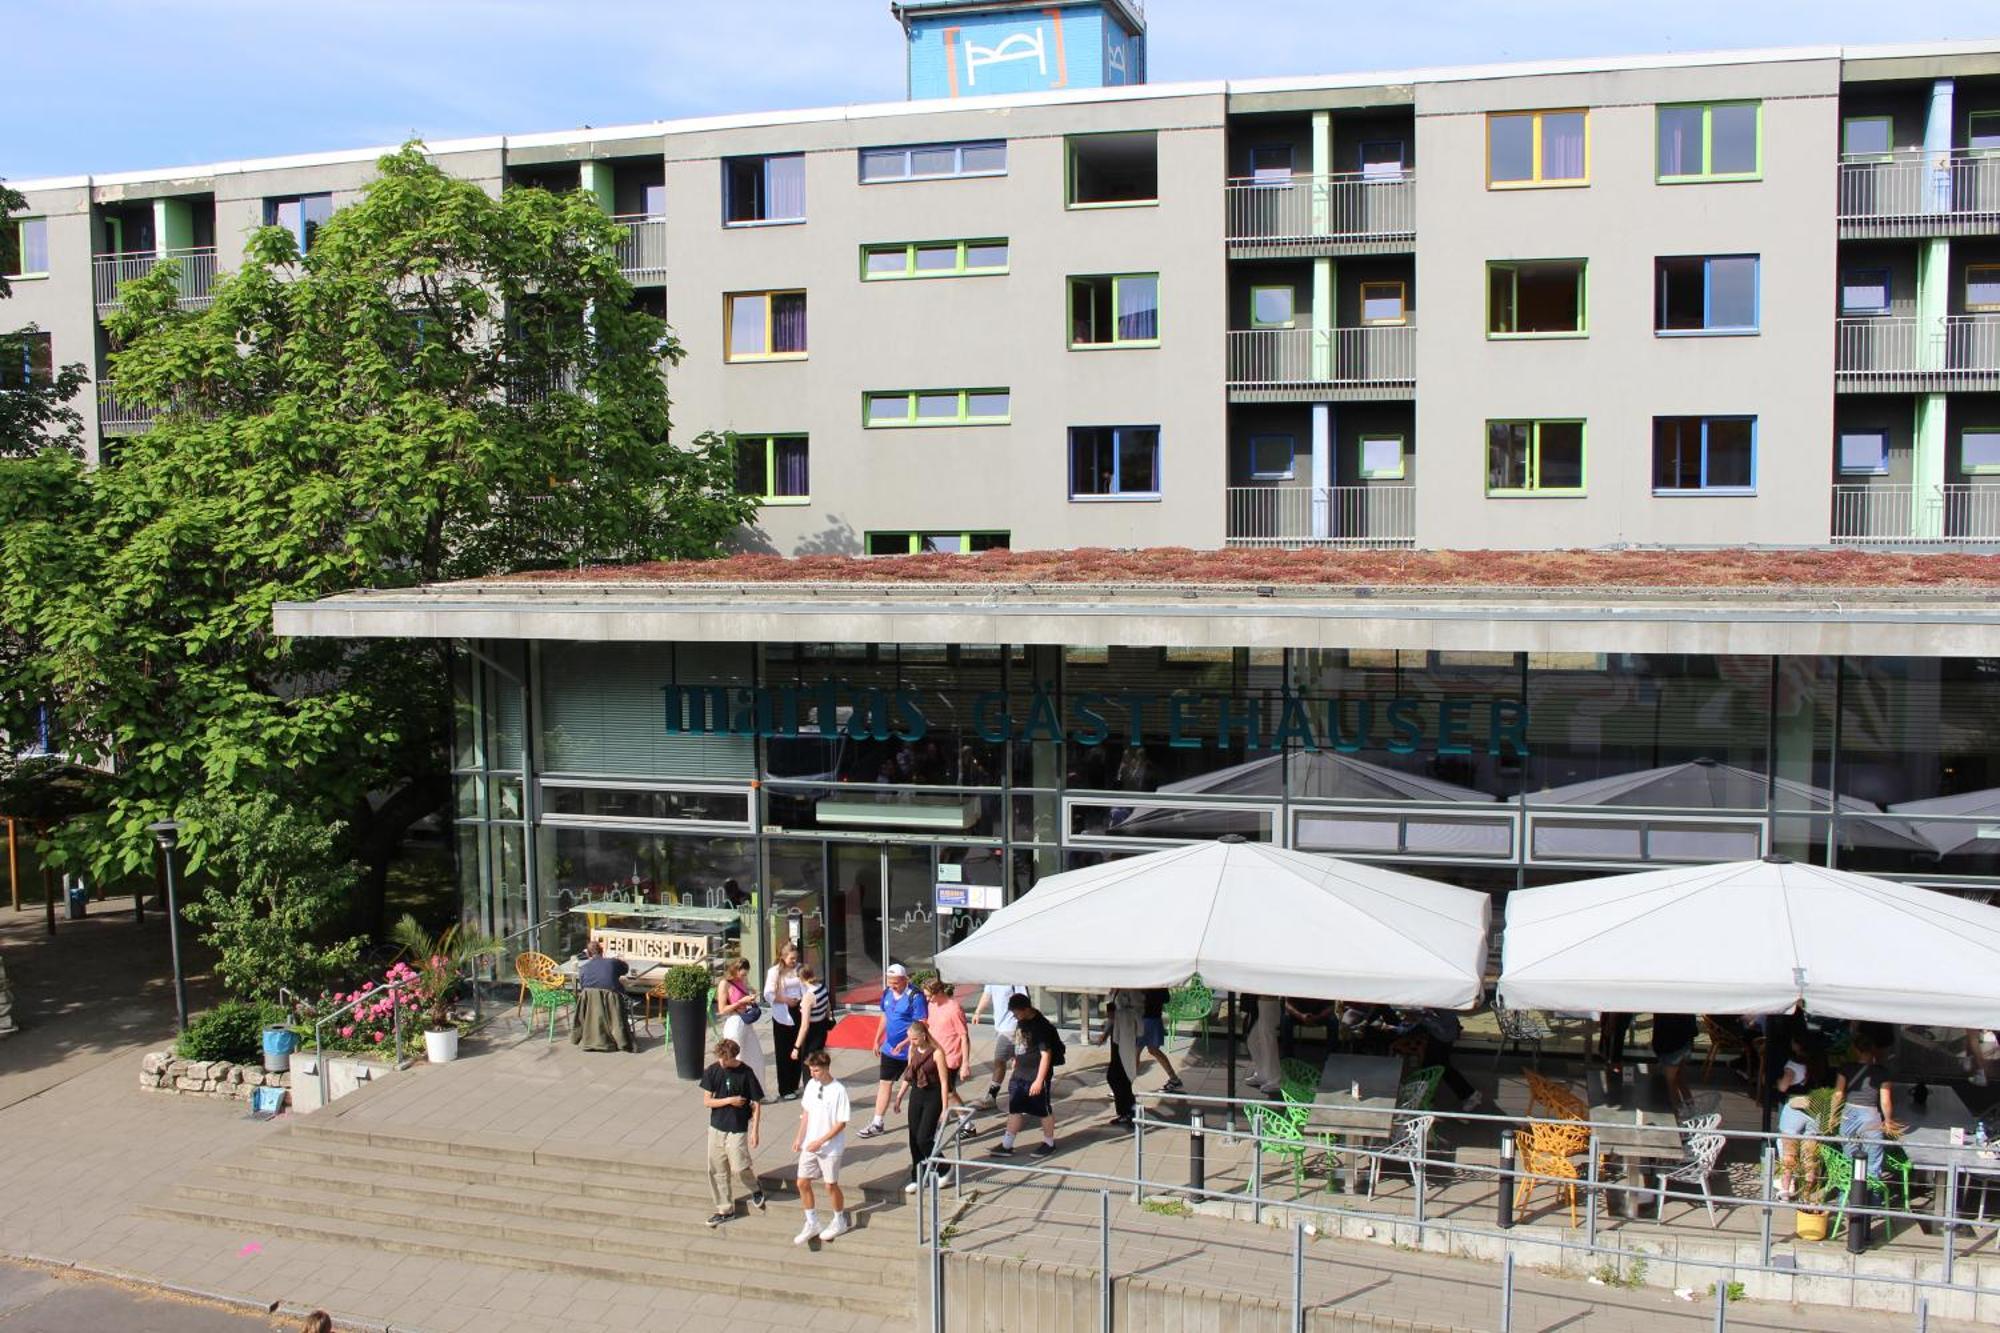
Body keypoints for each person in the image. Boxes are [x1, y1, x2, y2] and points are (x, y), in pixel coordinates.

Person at [698, 1038, 765, 1227]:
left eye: (724, 1059)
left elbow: (757, 1102)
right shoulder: (713, 1070)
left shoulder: (745, 1073)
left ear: (732, 1057)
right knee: (717, 1169)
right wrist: (729, 1100)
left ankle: (755, 1187)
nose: (721, 1062)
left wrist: (755, 1131)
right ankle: (724, 1209)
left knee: (739, 1165)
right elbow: (707, 1101)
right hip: (717, 1127)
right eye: (719, 1058)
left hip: (737, 1127)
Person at [858, 963, 927, 1139]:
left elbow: (922, 1024)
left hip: (911, 1050)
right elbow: (885, 1016)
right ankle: (877, 1122)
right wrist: (877, 1039)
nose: (891, 985)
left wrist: (905, 1042)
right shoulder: (887, 993)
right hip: (890, 1049)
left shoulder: (915, 996)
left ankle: (959, 1117)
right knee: (885, 1083)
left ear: (904, 980)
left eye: (895, 982)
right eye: (889, 982)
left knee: (923, 1085)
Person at [991, 993, 1061, 1158]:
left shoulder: (1041, 1027)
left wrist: (1039, 1080)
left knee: (1043, 1110)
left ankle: (1049, 1143)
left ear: (1025, 1009)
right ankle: (1007, 1144)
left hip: (1035, 1075)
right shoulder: (1022, 1021)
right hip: (1020, 1074)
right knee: (1015, 1108)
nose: (1014, 1016)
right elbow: (1020, 1042)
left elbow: (1046, 1055)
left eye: (1015, 1012)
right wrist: (1016, 1059)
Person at [793, 1049, 851, 1243]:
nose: (813, 1074)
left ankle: (839, 1219)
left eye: (816, 1070)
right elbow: (806, 1113)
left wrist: (821, 1140)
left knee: (830, 1185)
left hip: (830, 1147)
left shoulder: (839, 1090)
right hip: (811, 1143)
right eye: (811, 1070)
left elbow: (841, 1123)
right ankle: (812, 1221)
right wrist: (799, 1137)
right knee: (802, 1181)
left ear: (826, 1068)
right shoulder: (811, 1084)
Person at [1835, 1029, 1904, 1185]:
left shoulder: (1845, 1068)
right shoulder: (1882, 1072)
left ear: (1855, 1050)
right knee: (1873, 1160)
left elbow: (1838, 1094)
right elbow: (1885, 1101)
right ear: (1874, 1050)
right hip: (1870, 1115)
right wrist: (1887, 1120)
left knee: (1849, 1158)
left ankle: (1846, 1198)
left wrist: (1833, 1115)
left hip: (1848, 1112)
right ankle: (1872, 1200)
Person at [892, 1018, 950, 1195]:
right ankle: (918, 1176)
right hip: (917, 1093)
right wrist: (900, 1096)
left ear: (924, 1036)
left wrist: (945, 1107)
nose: (912, 1042)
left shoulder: (937, 1053)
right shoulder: (912, 1049)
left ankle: (943, 1167)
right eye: (910, 1039)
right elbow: (910, 1075)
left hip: (933, 1095)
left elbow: (944, 1081)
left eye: (915, 1039)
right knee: (914, 1138)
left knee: (924, 1138)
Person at [1392, 1009, 1491, 1112]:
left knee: (1440, 1067)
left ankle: (1469, 1094)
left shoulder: (1435, 1009)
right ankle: (1424, 1097)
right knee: (1433, 1067)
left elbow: (1431, 1021)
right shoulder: (1434, 1008)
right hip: (1442, 1034)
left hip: (1442, 1035)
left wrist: (1415, 1019)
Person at [1774, 1029, 1831, 1201]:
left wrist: (1777, 1082)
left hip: (1795, 1108)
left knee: (1788, 1149)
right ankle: (1808, 1192)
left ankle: (1786, 1188)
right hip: (1815, 1109)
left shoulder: (1793, 1065)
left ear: (1798, 1045)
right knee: (1810, 1152)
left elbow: (1783, 1086)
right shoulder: (1820, 1062)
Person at [923, 978, 977, 1135]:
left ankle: (965, 1122)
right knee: (945, 1091)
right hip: (935, 1055)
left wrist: (965, 1063)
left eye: (929, 996)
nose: (927, 999)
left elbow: (964, 1037)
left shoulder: (954, 1009)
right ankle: (963, 1121)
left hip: (950, 1057)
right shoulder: (932, 1005)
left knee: (948, 1091)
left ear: (939, 992)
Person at [715, 957, 769, 1096]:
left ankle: (757, 1093)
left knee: (756, 1058)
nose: (744, 976)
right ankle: (734, 1093)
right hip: (734, 1021)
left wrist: (751, 996)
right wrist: (740, 1002)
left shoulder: (743, 981)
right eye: (742, 974)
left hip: (745, 1022)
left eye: (746, 974)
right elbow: (722, 1009)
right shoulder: (725, 984)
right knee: (736, 1058)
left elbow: (748, 991)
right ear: (735, 970)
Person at [971, 981, 1028, 1107]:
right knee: (1015, 1061)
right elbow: (987, 995)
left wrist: (1022, 1026)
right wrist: (978, 1012)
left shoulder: (1014, 980)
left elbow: (1024, 1001)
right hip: (1000, 1027)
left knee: (999, 1060)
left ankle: (992, 1096)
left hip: (1012, 1027)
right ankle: (1020, 1093)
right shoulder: (992, 978)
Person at [764, 940, 808, 1099]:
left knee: (797, 1049)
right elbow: (768, 994)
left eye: (796, 958)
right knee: (783, 1052)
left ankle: (795, 1084)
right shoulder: (774, 972)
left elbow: (806, 985)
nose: (794, 961)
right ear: (783, 958)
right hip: (782, 1013)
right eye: (792, 959)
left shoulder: (800, 968)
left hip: (799, 1010)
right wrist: (785, 1000)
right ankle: (785, 1088)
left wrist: (803, 1000)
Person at [1097, 988, 1144, 1126]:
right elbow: (1112, 1017)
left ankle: (1127, 1110)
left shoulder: (1131, 991)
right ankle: (1127, 1108)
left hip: (1126, 1036)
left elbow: (1138, 1011)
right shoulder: (1114, 991)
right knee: (1116, 1076)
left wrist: (1118, 1013)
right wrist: (1105, 1034)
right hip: (1117, 1036)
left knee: (1117, 1076)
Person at [1140, 988, 1184, 1093]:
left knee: (1136, 1052)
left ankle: (1124, 1087)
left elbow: (1165, 998)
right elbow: (1166, 998)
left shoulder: (1153, 982)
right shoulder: (1157, 982)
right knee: (1152, 1050)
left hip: (1148, 1019)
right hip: (1151, 1017)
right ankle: (1174, 1079)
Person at [791, 962, 834, 1068]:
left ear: (801, 979)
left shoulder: (809, 997)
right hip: (822, 1029)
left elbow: (804, 1026)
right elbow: (828, 1006)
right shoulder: (822, 987)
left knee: (809, 1065)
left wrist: (796, 1047)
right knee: (819, 1062)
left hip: (812, 1035)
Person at [1651, 1012, 1698, 1107]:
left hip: (1670, 1047)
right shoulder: (1685, 1004)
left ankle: (1678, 1113)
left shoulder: (1663, 1007)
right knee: (1681, 1080)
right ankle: (1692, 1110)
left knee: (1671, 1084)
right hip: (1686, 1044)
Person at [1246, 993, 1283, 1093]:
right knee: (1253, 1041)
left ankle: (1275, 1080)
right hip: (1263, 1002)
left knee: (1268, 1043)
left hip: (1269, 1003)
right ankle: (1262, 1074)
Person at [1282, 995, 1338, 1060]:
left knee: (1333, 1020)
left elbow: (1331, 1007)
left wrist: (1317, 1017)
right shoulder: (1296, 985)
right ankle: (1288, 1056)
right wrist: (1301, 1016)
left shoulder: (1325, 986)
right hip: (1299, 1014)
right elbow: (1287, 1004)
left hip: (1319, 1014)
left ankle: (1332, 1056)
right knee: (1285, 1019)